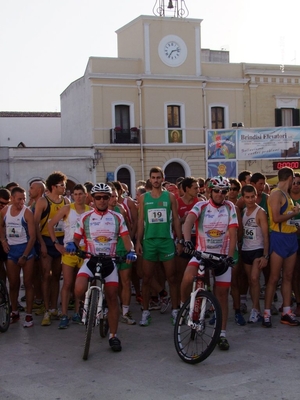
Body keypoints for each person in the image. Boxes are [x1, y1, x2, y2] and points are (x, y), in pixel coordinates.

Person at [70, 183, 136, 352]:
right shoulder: (84, 217)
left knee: (113, 298)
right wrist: (73, 245)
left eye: (105, 197)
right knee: (78, 289)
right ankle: (89, 304)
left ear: (109, 199)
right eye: (98, 197)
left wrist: (131, 252)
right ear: (92, 198)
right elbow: (76, 238)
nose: (101, 200)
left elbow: (127, 239)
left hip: (109, 262)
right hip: (90, 260)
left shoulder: (117, 217)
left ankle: (113, 336)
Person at [181, 176, 238, 350]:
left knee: (222, 294)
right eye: (217, 191)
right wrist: (186, 240)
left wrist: (229, 256)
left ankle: (221, 334)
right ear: (209, 191)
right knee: (188, 278)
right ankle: (185, 308)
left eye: (224, 192)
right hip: (201, 253)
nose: (221, 195)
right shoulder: (201, 205)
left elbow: (233, 234)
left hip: (221, 255)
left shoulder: (230, 207)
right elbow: (188, 222)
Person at [136, 166, 183, 327]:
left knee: (172, 278)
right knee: (147, 278)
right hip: (149, 242)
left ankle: (176, 311)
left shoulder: (170, 197)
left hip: (166, 241)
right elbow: (140, 221)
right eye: (153, 177)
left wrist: (180, 240)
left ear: (163, 178)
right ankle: (145, 311)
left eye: (158, 177)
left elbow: (176, 219)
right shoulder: (144, 198)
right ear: (150, 179)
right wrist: (138, 241)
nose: (156, 180)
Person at [48, 184, 92, 329]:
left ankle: (78, 312)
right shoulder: (67, 208)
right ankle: (65, 314)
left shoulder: (90, 211)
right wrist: (56, 244)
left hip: (84, 251)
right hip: (68, 250)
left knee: (80, 285)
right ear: (72, 195)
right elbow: (51, 224)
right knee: (67, 283)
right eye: (76, 194)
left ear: (86, 195)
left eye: (81, 194)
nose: (78, 196)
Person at [262, 167, 300, 327]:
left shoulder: (287, 196)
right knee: (274, 278)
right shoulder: (276, 194)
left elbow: (285, 219)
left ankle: (286, 311)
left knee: (289, 277)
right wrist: (295, 212)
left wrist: (295, 222)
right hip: (279, 238)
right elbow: (276, 218)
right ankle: (267, 312)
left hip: (291, 237)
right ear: (290, 178)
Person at [34, 171, 69, 326]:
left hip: (61, 240)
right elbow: (35, 224)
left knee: (56, 275)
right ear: (54, 186)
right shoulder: (43, 201)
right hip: (46, 240)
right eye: (62, 185)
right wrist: (41, 243)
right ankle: (46, 309)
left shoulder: (66, 201)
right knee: (46, 275)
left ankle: (54, 307)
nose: (64, 187)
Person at [0, 187, 36, 327]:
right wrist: (3, 241)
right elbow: (1, 226)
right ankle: (14, 311)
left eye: (24, 198)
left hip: (26, 249)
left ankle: (28, 314)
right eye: (19, 199)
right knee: (13, 283)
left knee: (27, 283)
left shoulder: (27, 213)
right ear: (13, 199)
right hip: (12, 250)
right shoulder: (5, 211)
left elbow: (32, 237)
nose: (22, 201)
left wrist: (25, 255)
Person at [240, 185, 269, 323]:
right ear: (243, 197)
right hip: (246, 250)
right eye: (247, 197)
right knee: (251, 282)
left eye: (253, 197)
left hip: (258, 249)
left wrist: (265, 255)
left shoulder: (260, 212)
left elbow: (265, 234)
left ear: (256, 196)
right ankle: (255, 308)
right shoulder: (244, 211)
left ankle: (256, 310)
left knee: (254, 278)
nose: (250, 200)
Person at [290, 173, 300, 317]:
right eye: (294, 182)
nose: (296, 185)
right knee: (294, 273)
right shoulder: (285, 198)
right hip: (290, 238)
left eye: (299, 183)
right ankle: (297, 302)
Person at [0, 189, 10, 282]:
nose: (3, 206)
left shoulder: (8, 210)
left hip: (7, 242)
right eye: (1, 203)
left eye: (6, 204)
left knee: (10, 271)